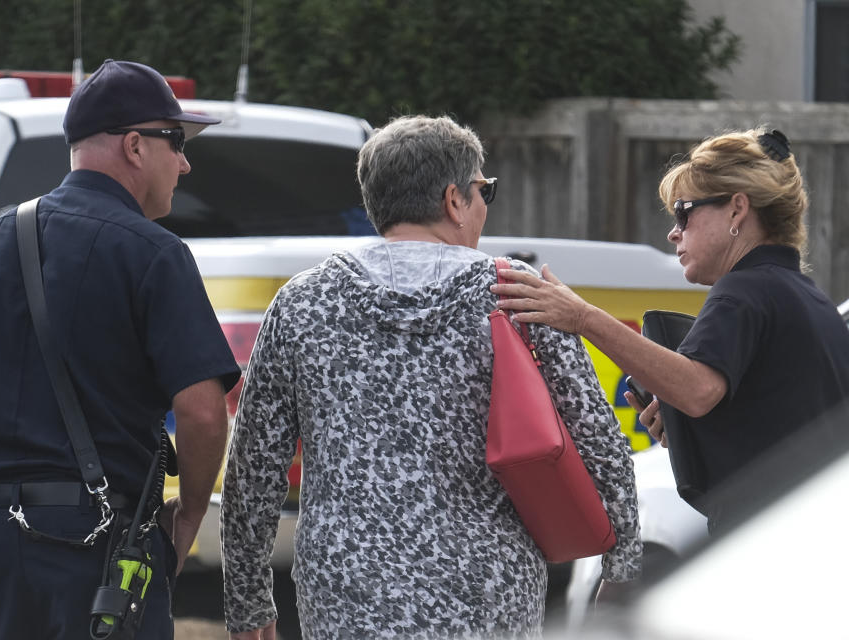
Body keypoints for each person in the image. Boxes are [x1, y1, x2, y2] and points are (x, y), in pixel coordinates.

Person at [221, 115, 641, 640]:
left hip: (346, 592)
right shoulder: (516, 295)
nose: (486, 204)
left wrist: (248, 601)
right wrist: (622, 566)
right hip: (489, 591)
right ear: (454, 200)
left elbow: (254, 467)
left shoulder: (305, 301)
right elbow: (598, 439)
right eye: (485, 189)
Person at [0, 59, 240, 639]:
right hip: (95, 555)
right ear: (134, 146)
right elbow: (204, 413)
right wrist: (184, 522)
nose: (184, 162)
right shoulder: (156, 254)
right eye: (175, 141)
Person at [492, 128, 849, 533]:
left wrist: (582, 317)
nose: (674, 231)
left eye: (684, 212)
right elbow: (780, 427)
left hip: (766, 543)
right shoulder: (811, 299)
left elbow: (697, 391)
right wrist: (694, 434)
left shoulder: (742, 290)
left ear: (737, 210)